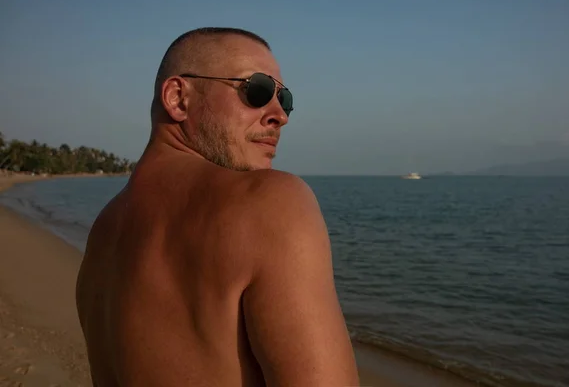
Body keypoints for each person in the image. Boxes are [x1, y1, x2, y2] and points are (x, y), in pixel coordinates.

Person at [75, 27, 360, 386]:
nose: (279, 115)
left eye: (284, 100)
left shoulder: (104, 230)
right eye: (256, 90)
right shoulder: (273, 202)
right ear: (178, 98)